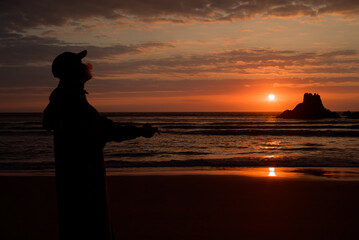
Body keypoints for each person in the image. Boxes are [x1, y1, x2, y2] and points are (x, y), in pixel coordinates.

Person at [43, 50, 158, 240]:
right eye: (80, 63)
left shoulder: (62, 99)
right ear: (73, 71)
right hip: (85, 183)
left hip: (71, 182)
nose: (86, 65)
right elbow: (107, 130)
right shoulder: (74, 103)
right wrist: (139, 131)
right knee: (92, 229)